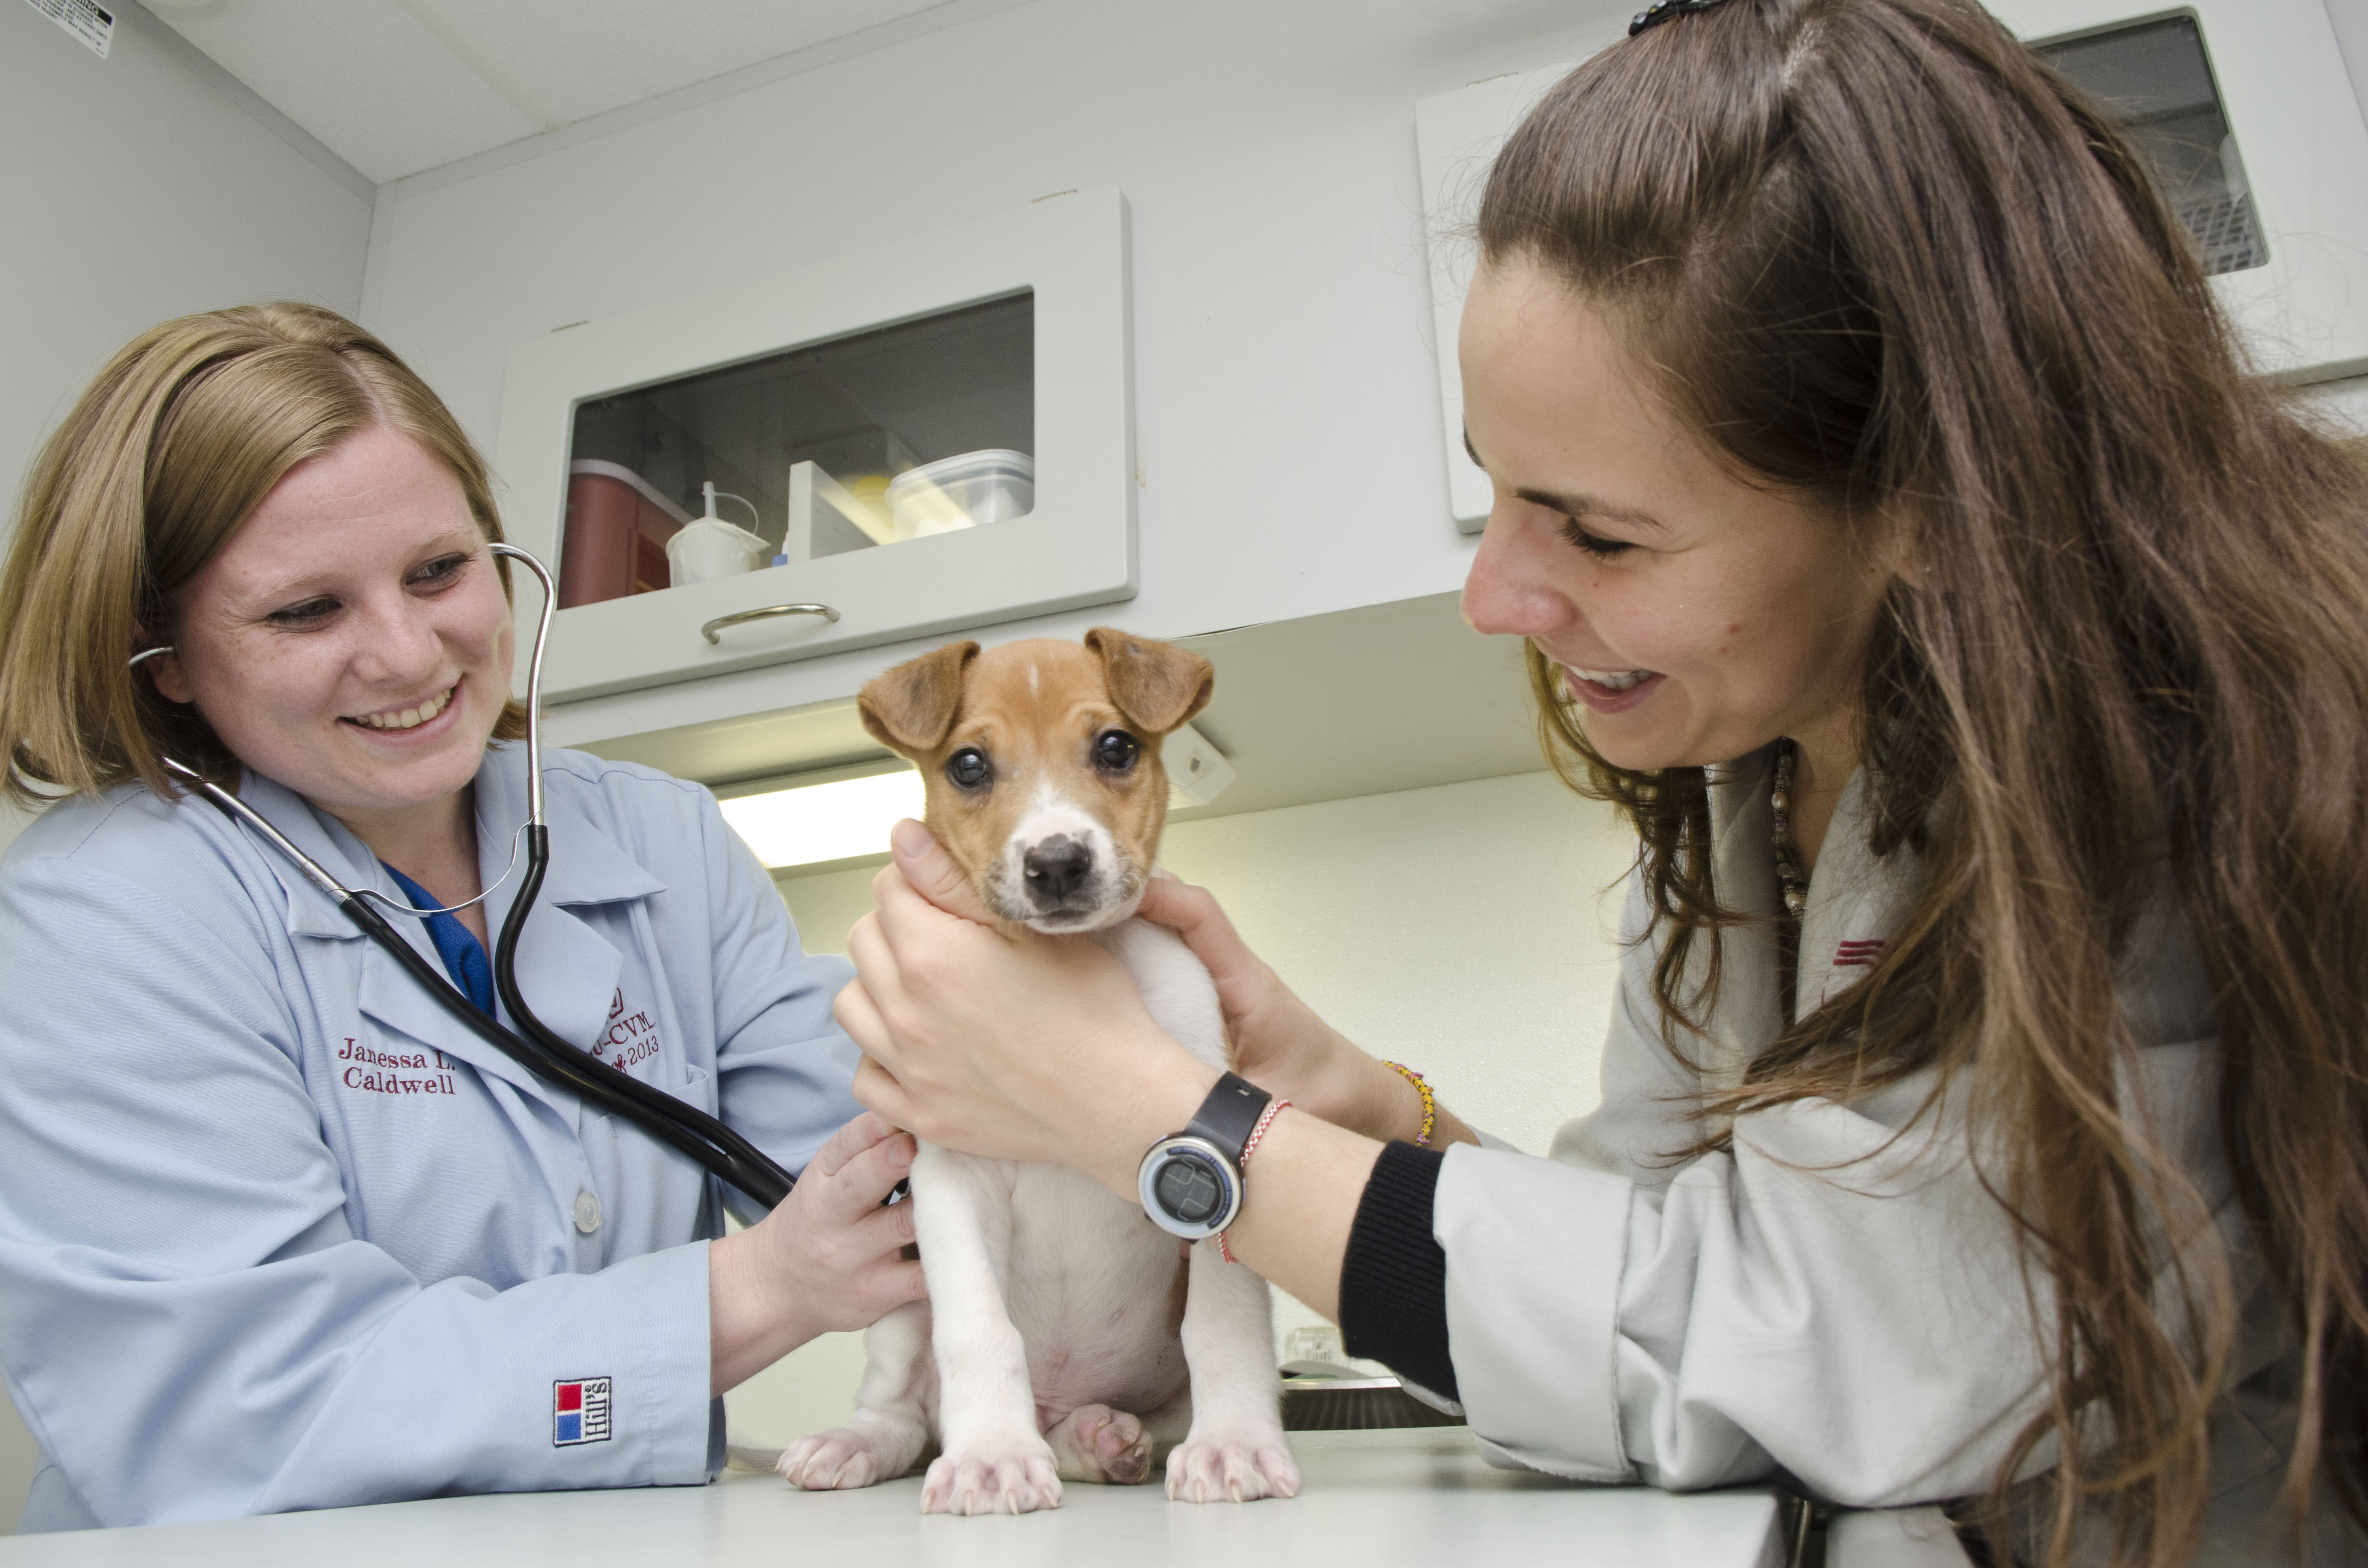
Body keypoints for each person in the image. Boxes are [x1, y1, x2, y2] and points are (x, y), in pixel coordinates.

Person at [831, 2, 2368, 1564]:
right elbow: (1644, 1274)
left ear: (1927, 503)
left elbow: (1840, 1354)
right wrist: (1378, 1112)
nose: (1490, 595)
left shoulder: (2168, 766)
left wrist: (1176, 1126)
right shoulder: (1740, 799)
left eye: (1598, 530)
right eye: (1492, 489)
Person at [0, 303, 924, 1531]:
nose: (407, 653)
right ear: (160, 655)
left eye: (439, 572)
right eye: (305, 613)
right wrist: (756, 1289)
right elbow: (246, 1413)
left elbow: (888, 1181)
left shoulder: (658, 840)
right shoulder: (104, 912)